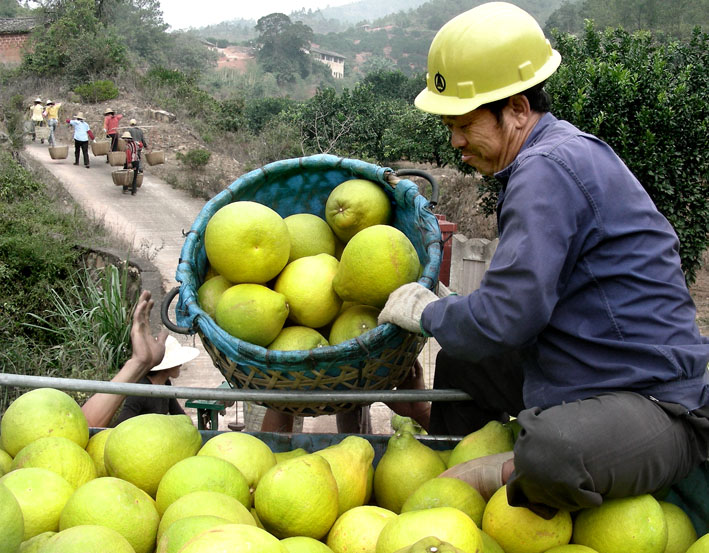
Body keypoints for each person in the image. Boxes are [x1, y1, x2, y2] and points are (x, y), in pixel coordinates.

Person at [377, 2, 709, 516]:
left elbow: (509, 316)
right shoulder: (554, 157)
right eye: (450, 127)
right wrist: (456, 316)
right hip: (590, 369)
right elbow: (515, 306)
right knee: (465, 361)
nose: (456, 142)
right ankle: (454, 481)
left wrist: (428, 313)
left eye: (465, 124)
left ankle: (501, 475)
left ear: (517, 109)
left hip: (659, 403)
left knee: (553, 454)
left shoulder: (546, 168)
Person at [82, 290, 168, 427]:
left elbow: (82, 427)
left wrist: (139, 363)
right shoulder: (141, 391)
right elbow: (84, 428)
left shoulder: (166, 384)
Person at [111, 335, 200, 425]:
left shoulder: (166, 384)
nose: (180, 365)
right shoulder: (141, 390)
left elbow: (178, 413)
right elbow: (121, 423)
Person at [122, 131, 140, 195]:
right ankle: (134, 191)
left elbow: (128, 154)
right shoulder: (136, 143)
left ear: (127, 139)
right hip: (136, 161)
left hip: (130, 161)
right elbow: (141, 145)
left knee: (126, 174)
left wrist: (129, 163)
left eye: (125, 139)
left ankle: (125, 188)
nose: (124, 140)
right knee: (134, 177)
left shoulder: (128, 146)